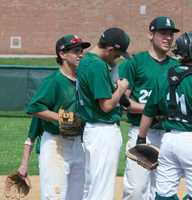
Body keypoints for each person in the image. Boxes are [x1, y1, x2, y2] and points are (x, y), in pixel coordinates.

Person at [119, 16, 180, 200]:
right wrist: (153, 108)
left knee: (162, 189)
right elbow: (125, 103)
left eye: (171, 34)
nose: (168, 38)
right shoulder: (135, 63)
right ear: (150, 35)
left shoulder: (176, 66)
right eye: (163, 33)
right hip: (142, 134)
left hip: (169, 135)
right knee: (136, 189)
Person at [25, 34, 91, 200]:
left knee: (77, 196)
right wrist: (63, 118)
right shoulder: (54, 81)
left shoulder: (83, 81)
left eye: (82, 50)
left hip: (79, 144)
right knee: (54, 195)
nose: (81, 54)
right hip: (55, 144)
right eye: (76, 50)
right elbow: (34, 107)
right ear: (62, 54)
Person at [138, 31, 192, 199]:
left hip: (168, 142)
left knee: (164, 192)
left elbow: (149, 111)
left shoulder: (164, 76)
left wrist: (141, 139)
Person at [76, 27, 130, 200]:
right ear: (110, 49)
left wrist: (112, 67)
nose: (118, 57)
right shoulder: (97, 66)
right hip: (102, 131)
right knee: (102, 190)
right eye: (117, 54)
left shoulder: (85, 60)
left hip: (91, 130)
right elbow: (106, 106)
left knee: (90, 186)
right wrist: (121, 89)